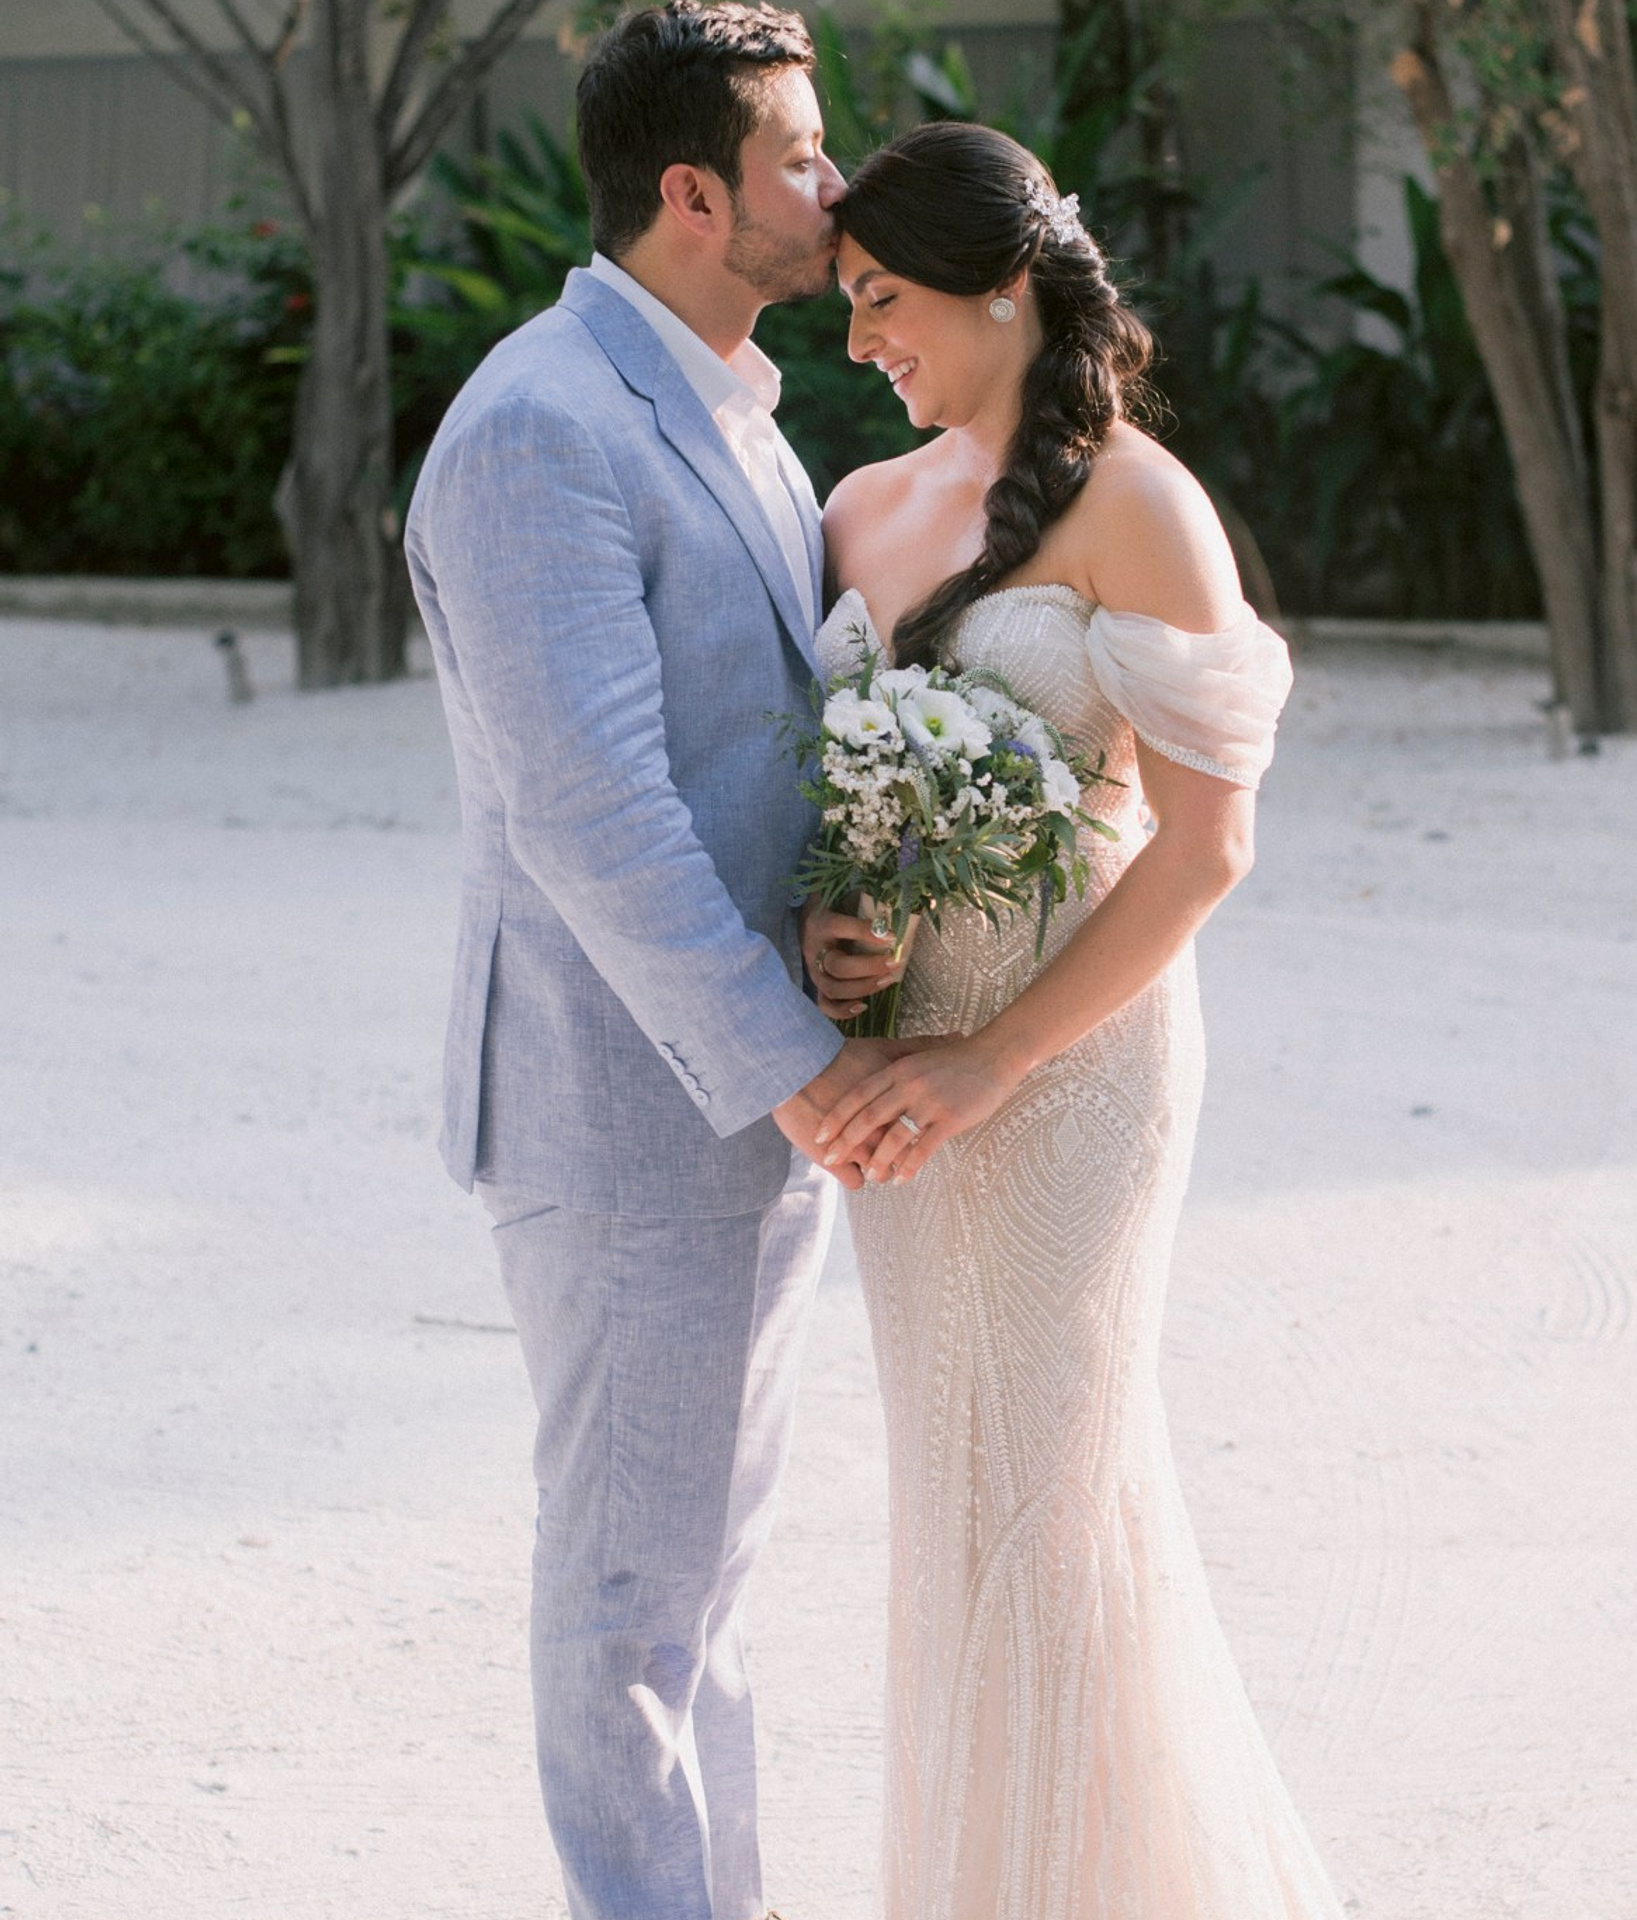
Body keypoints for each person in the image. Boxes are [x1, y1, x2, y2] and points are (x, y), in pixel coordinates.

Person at [801, 122, 1347, 1919]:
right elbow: (829, 810)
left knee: (1055, 1499)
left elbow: (1208, 851)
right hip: (900, 1086)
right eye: (849, 300)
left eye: (884, 298)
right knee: (949, 1518)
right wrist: (837, 934)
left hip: (1075, 1080)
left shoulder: (1141, 501)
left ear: (1005, 284)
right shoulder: (862, 510)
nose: (859, 335)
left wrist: (994, 1054)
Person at [403, 6, 907, 1916]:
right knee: (630, 1597)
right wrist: (804, 1065)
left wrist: (833, 938)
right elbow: (590, 818)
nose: (835, 186)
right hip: (626, 1114)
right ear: (693, 193)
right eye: (800, 154)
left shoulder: (730, 414)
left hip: (737, 1090)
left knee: (704, 1588)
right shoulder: (543, 427)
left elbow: (729, 763)